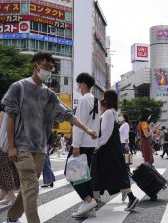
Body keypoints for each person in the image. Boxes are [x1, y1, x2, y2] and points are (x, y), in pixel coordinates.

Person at [1, 52, 97, 223]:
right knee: (31, 187)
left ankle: (12, 216)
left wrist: (87, 129)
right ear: (35, 65)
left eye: (52, 67)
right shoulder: (19, 87)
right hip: (21, 146)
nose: (49, 70)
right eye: (46, 66)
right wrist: (12, 146)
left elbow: (67, 114)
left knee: (28, 188)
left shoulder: (49, 94)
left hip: (40, 148)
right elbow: (10, 117)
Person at [92, 90, 139, 211]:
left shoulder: (108, 113)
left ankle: (131, 197)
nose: (102, 98)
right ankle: (94, 201)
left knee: (104, 173)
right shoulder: (113, 112)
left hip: (107, 149)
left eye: (104, 96)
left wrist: (96, 146)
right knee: (101, 174)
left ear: (107, 98)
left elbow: (106, 134)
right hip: (110, 148)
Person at [67, 72, 100, 218]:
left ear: (84, 84)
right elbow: (95, 124)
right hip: (90, 143)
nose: (77, 86)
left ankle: (88, 200)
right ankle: (90, 205)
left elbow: (78, 123)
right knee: (85, 175)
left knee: (72, 174)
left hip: (81, 143)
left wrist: (75, 145)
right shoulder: (96, 100)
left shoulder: (83, 100)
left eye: (78, 83)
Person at [0, 105, 20, 206]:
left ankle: (10, 194)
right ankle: (7, 193)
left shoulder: (2, 114)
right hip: (4, 147)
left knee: (5, 171)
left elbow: (4, 132)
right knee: (4, 171)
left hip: (2, 147)